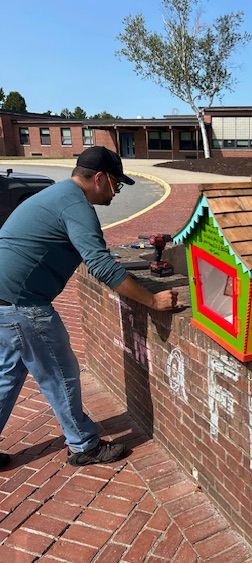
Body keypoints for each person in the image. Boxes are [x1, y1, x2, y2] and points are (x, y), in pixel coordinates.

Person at [0, 146, 178, 470]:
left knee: (7, 376)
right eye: (116, 184)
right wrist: (153, 300)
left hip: (5, 301)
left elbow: (91, 252)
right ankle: (84, 445)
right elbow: (101, 266)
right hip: (23, 305)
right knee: (62, 373)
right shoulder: (75, 204)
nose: (117, 191)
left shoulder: (60, 196)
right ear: (99, 178)